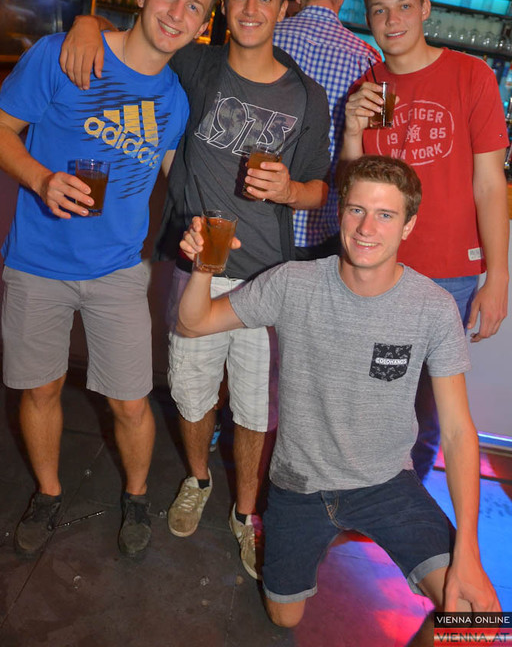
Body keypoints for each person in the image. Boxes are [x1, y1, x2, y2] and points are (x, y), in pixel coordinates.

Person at [60, 0, 331, 579]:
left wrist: (290, 190)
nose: (251, 8)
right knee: (189, 394)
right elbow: (136, 44)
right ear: (224, 5)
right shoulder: (195, 66)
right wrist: (86, 21)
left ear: (285, 6)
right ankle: (199, 478)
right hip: (197, 270)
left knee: (257, 410)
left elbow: (322, 187)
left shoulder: (307, 96)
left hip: (268, 280)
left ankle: (245, 512)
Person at [175, 154, 500, 630]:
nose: (367, 228)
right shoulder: (293, 283)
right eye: (357, 210)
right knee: (284, 619)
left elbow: (456, 432)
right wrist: (204, 264)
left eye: (385, 214)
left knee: (473, 619)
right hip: (299, 484)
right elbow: (194, 322)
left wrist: (468, 551)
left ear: (408, 226)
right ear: (340, 213)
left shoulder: (432, 308)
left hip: (386, 483)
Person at [0, 0, 224, 558]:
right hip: (36, 261)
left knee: (130, 401)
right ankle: (48, 493)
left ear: (204, 24)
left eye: (194, 6)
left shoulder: (174, 99)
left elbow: (178, 177)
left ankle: (136, 494)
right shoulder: (65, 55)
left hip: (119, 269)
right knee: (40, 389)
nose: (176, 13)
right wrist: (41, 179)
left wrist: (205, 225)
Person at [340, 0, 509, 481]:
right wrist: (351, 132)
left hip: (449, 275)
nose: (392, 21)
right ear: (368, 17)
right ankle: (358, 488)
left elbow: (490, 184)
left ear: (426, 9)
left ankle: (404, 499)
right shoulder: (368, 85)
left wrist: (498, 277)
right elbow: (352, 187)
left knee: (429, 403)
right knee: (365, 391)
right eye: (380, 10)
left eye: (404, 7)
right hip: (376, 267)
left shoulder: (471, 75)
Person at [273, 0, 381, 259]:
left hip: (257, 217)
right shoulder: (367, 60)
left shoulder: (267, 39)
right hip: (322, 225)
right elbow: (371, 145)